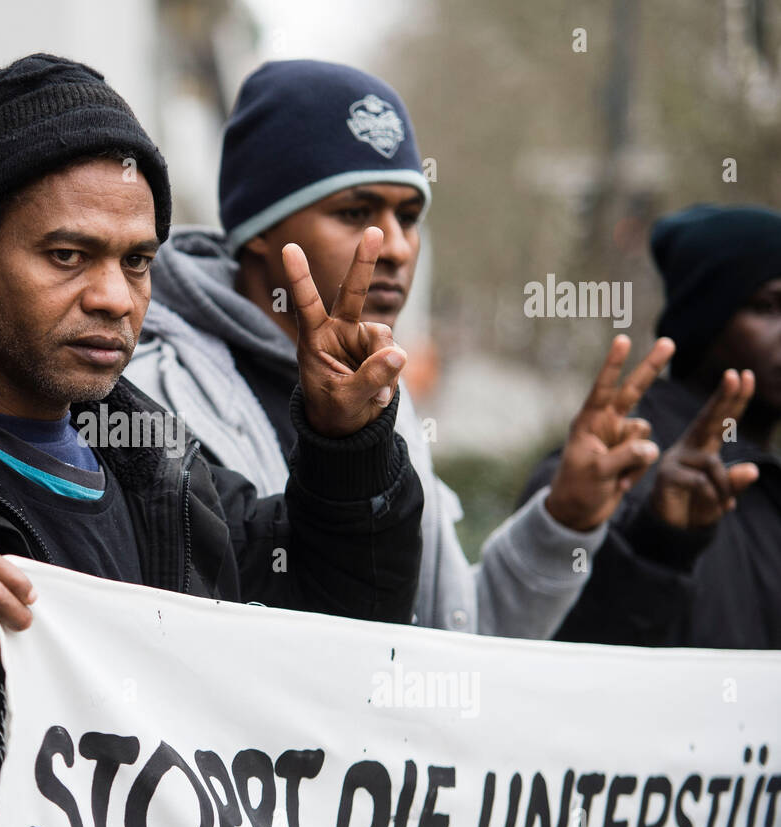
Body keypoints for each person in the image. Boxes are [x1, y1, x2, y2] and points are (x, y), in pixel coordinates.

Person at [0, 53, 425, 827]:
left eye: (137, 261)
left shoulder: (169, 481)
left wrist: (345, 443)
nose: (115, 298)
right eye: (66, 256)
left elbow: (346, 635)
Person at [124, 59, 666, 639]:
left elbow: (451, 645)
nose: (398, 246)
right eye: (355, 212)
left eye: (409, 217)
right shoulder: (149, 396)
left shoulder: (385, 392)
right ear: (259, 227)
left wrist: (564, 520)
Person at [520, 204, 777, 649]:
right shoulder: (608, 467)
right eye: (767, 307)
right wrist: (661, 539)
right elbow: (547, 648)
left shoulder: (768, 486)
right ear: (705, 322)